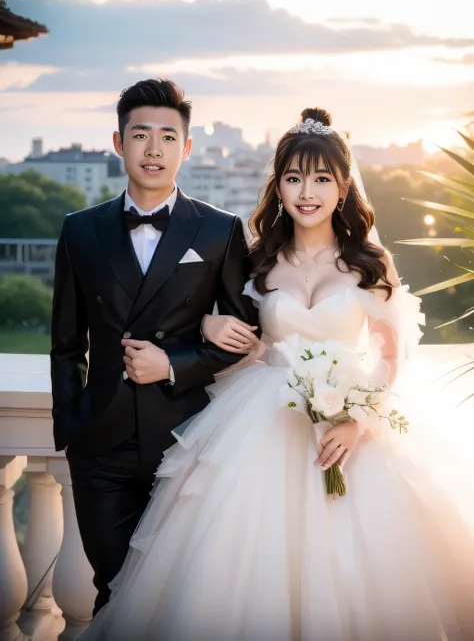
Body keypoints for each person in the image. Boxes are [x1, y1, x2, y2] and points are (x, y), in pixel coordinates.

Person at [77, 107, 474, 640]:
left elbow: (389, 357)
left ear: (343, 185)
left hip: (347, 432)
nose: (305, 191)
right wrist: (211, 325)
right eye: (292, 178)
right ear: (279, 187)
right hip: (259, 424)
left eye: (320, 178)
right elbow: (243, 342)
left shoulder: (369, 262)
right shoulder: (259, 259)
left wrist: (357, 421)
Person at [50, 78, 260, 614]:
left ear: (187, 148)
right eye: (140, 135)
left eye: (168, 137)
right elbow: (66, 342)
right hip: (100, 446)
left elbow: (244, 336)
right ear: (118, 143)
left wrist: (174, 362)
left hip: (185, 440)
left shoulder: (219, 230)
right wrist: (72, 426)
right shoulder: (80, 230)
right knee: (114, 591)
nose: (154, 149)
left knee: (176, 599)